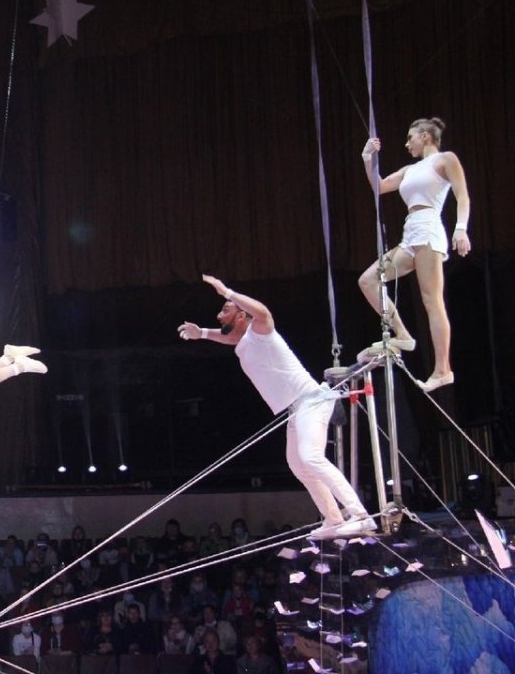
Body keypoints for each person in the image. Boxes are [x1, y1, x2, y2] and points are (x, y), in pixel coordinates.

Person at [177, 275, 375, 540]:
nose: (219, 314)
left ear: (241, 316)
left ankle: (361, 516)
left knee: (311, 457)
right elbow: (230, 339)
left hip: (311, 401)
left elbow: (264, 312)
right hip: (297, 408)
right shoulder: (246, 341)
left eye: (225, 310)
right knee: (298, 464)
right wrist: (200, 333)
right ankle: (333, 518)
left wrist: (229, 292)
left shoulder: (262, 332)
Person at [358, 118, 471, 392]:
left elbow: (463, 195)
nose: (407, 143)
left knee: (431, 299)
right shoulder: (410, 168)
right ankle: (404, 335)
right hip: (410, 234)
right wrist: (367, 157)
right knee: (368, 280)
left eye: (411, 138)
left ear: (426, 137)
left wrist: (460, 229)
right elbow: (380, 186)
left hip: (429, 230)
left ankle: (443, 370)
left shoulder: (445, 159)